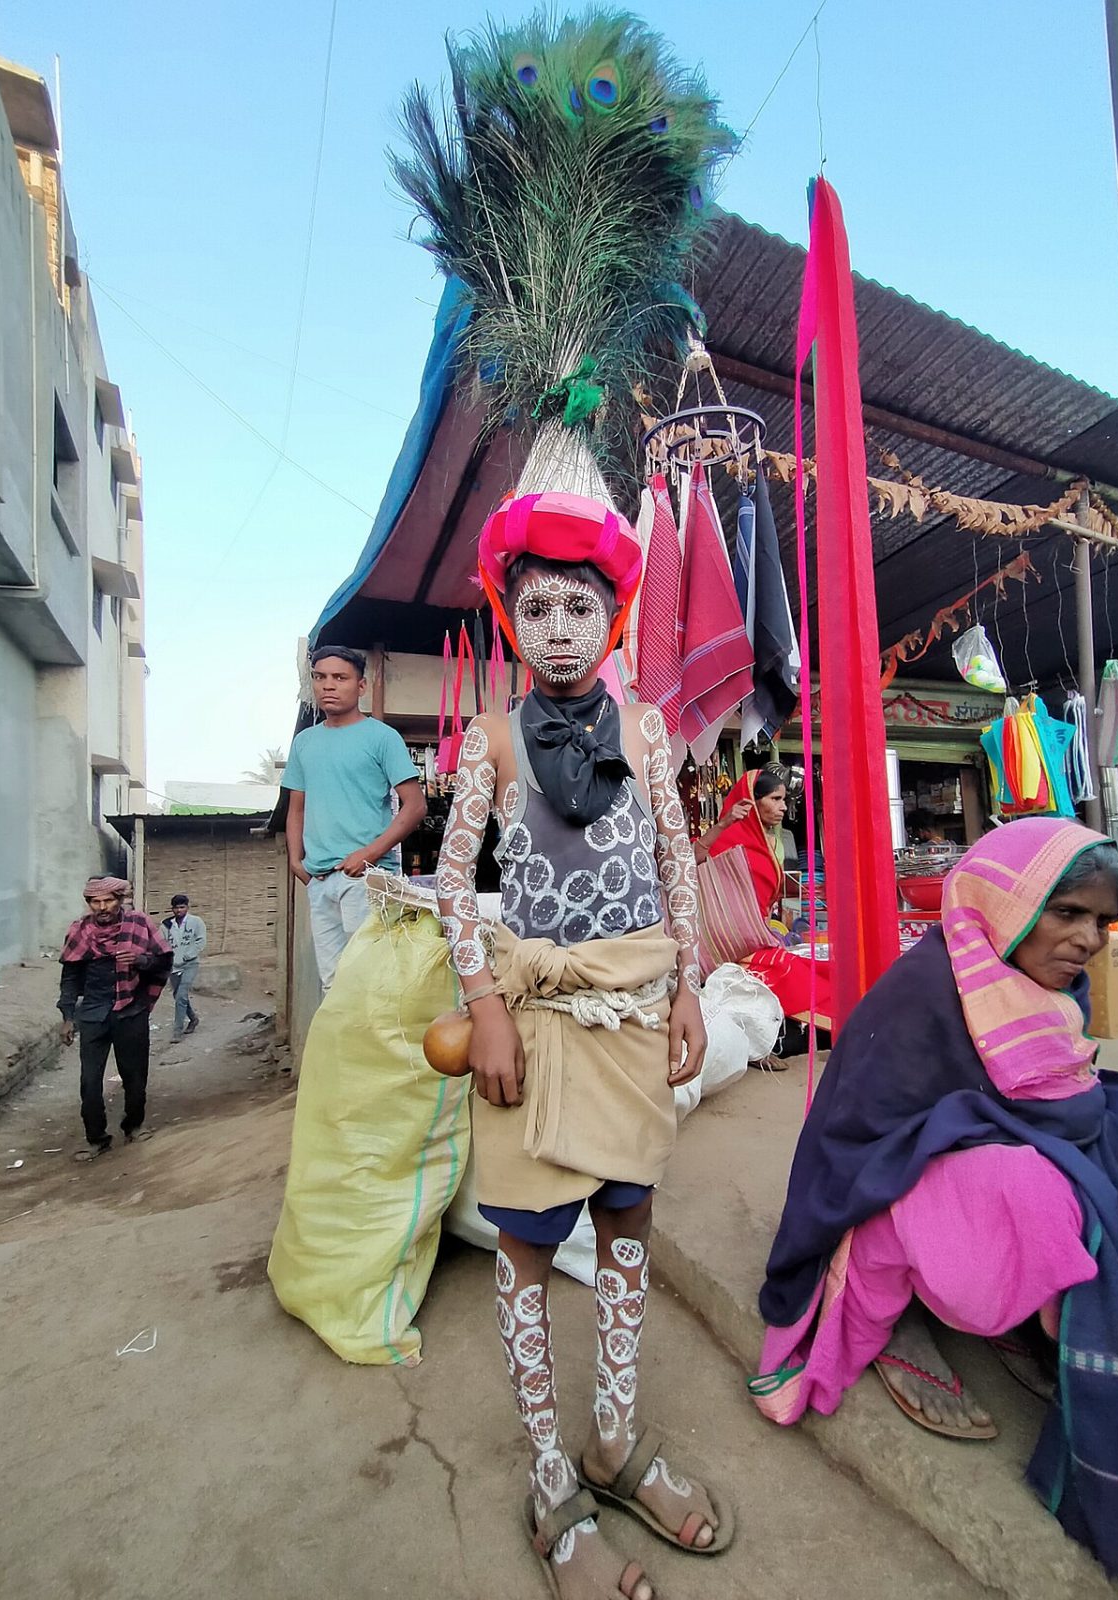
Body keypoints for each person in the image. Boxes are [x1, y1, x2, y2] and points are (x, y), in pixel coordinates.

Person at [751, 818, 1118, 1600]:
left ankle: (1049, 1313)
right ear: (1007, 905)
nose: (1088, 939)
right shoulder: (926, 991)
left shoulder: (1041, 985)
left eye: (1101, 921)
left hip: (982, 1143)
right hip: (880, 1191)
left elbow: (1055, 1093)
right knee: (1037, 1194)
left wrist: (1021, 1126)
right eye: (1068, 913)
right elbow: (857, 1142)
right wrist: (996, 1132)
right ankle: (910, 1307)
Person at [437, 490, 731, 1600]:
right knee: (523, 1245)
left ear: (615, 617)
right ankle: (552, 1480)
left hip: (633, 1015)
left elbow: (675, 858)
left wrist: (689, 987)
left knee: (627, 1221)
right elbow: (453, 883)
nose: (559, 629)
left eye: (580, 607)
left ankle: (611, 1437)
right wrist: (486, 1005)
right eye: (537, 608)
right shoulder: (490, 739)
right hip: (534, 1025)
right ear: (511, 620)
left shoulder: (648, 730)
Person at [282, 645, 427, 991]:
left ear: (361, 686)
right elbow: (296, 807)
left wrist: (369, 854)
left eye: (340, 678)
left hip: (367, 877)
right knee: (332, 983)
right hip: (319, 879)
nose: (328, 685)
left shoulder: (382, 737)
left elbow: (416, 805)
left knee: (372, 979)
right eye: (320, 677)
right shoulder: (304, 742)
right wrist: (295, 860)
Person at [58, 876, 173, 1161]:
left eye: (108, 901)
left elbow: (163, 960)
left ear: (119, 900)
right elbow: (70, 977)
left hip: (131, 1012)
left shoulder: (139, 924)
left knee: (134, 1076)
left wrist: (140, 960)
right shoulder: (79, 931)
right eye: (95, 902)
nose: (102, 907)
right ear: (89, 903)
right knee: (89, 1082)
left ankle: (134, 1126)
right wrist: (68, 1016)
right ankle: (96, 1139)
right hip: (93, 1014)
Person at [694, 766, 790, 921]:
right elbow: (688, 861)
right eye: (775, 799)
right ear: (752, 800)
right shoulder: (724, 839)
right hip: (724, 930)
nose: (783, 807)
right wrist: (722, 825)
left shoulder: (776, 845)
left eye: (783, 800)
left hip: (760, 930)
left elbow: (769, 904)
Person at [162, 893, 207, 1041]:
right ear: (172, 909)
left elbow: (201, 941)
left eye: (182, 907)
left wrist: (189, 954)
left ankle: (177, 1031)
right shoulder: (167, 925)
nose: (179, 910)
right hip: (173, 965)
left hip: (190, 963)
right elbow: (160, 942)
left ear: (187, 907)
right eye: (176, 908)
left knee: (181, 995)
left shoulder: (196, 922)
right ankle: (193, 1018)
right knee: (178, 996)